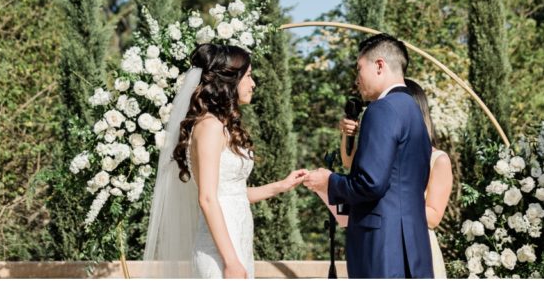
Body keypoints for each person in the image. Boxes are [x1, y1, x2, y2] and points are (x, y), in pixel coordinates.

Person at [144, 44, 308, 279]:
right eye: (249, 76)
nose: (253, 84)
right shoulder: (209, 127)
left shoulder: (222, 126)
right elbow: (208, 198)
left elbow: (232, 193)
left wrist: (281, 186)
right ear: (229, 80)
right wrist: (231, 261)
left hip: (236, 243)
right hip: (219, 252)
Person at [304, 34, 434, 278]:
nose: (356, 80)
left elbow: (370, 183)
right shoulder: (414, 112)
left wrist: (329, 181)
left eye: (359, 69)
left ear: (380, 65)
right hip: (412, 247)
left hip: (382, 248)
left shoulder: (381, 109)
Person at [332, 79, 453, 278]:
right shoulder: (385, 156)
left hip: (416, 245)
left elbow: (433, 216)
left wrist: (390, 199)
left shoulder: (438, 159)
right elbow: (349, 163)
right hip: (383, 244)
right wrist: (348, 135)